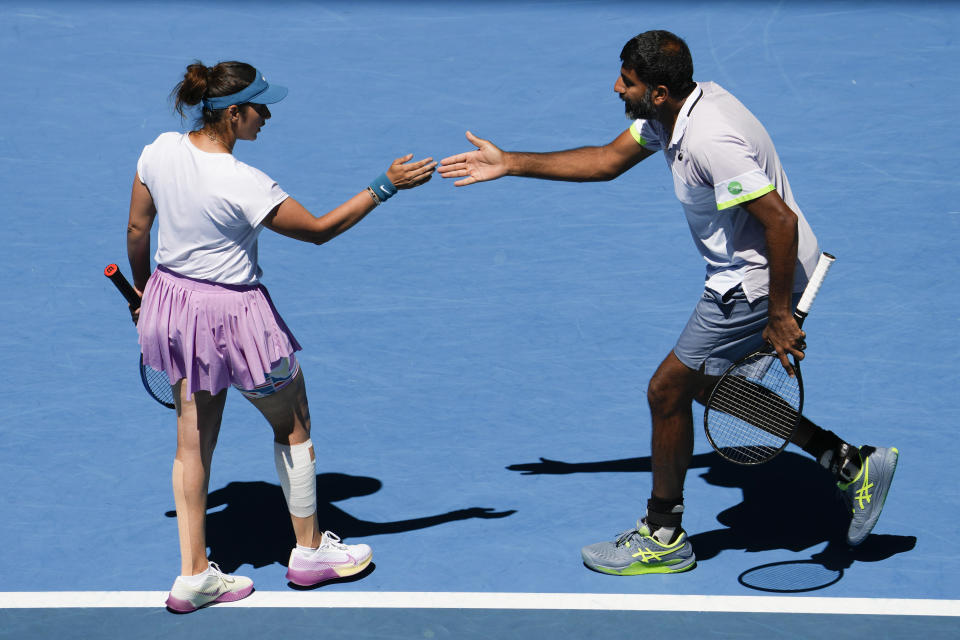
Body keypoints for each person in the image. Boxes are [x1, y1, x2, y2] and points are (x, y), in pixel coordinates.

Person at [438, 30, 897, 575]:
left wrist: (778, 315)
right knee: (705, 386)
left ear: (658, 90)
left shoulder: (709, 141)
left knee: (666, 391)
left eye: (626, 81)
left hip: (753, 283)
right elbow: (607, 160)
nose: (616, 87)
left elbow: (780, 221)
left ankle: (664, 533)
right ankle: (847, 463)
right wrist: (510, 161)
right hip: (753, 274)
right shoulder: (673, 113)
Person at [126, 60, 436, 611]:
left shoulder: (158, 151)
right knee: (293, 423)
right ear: (233, 114)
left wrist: (147, 293)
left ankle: (194, 574)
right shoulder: (245, 184)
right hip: (236, 319)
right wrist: (386, 185)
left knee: (192, 441)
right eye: (260, 107)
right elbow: (319, 231)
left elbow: (137, 229)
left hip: (172, 305)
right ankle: (310, 551)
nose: (267, 115)